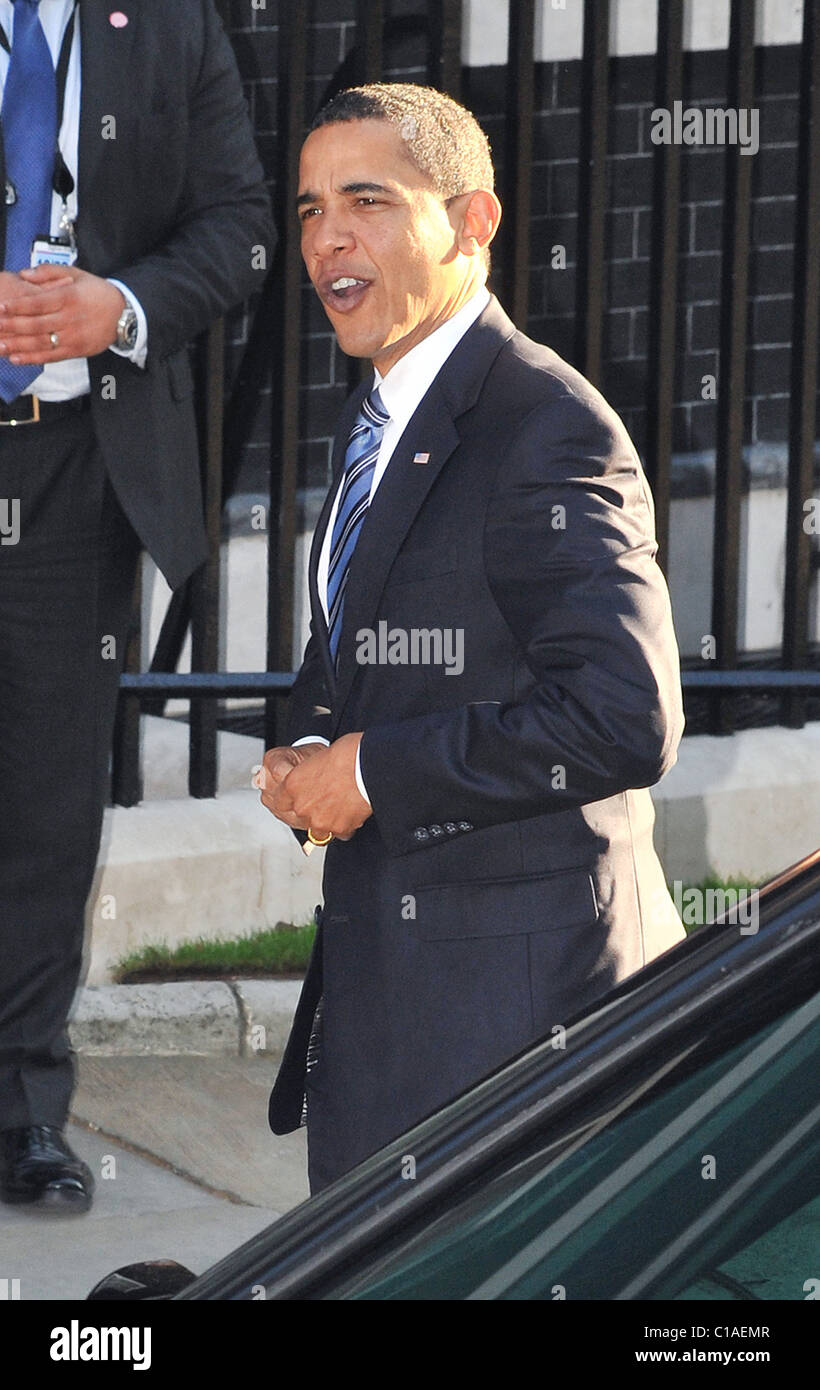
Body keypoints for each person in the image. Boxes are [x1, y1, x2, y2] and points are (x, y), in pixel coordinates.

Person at [256, 82, 684, 1194]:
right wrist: (311, 745)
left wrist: (376, 772)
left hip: (519, 1024)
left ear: (473, 222)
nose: (329, 237)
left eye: (368, 200)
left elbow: (625, 716)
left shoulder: (546, 426)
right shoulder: (383, 414)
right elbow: (372, 639)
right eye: (308, 210)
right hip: (397, 1005)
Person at [0, 0, 273, 1211]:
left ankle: (19, 1110)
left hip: (72, 470)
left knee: (48, 809)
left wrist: (125, 306)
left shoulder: (166, 24)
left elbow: (242, 222)